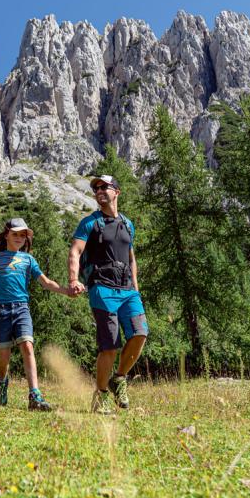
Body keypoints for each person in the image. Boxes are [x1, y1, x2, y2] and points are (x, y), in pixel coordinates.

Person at [0, 218, 72, 411]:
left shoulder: (28, 260)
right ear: (7, 234)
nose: (19, 238)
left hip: (22, 308)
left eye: (22, 235)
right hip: (0, 310)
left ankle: (35, 395)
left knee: (27, 346)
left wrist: (67, 291)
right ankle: (2, 381)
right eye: (15, 234)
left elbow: (46, 282)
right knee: (4, 355)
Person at [68, 175, 148, 414]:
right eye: (96, 188)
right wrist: (73, 279)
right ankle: (100, 395)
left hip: (128, 291)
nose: (99, 190)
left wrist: (135, 287)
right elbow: (75, 252)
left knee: (140, 333)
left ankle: (119, 378)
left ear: (117, 192)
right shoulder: (89, 223)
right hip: (102, 288)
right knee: (110, 346)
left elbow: (131, 257)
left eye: (105, 187)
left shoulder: (128, 224)